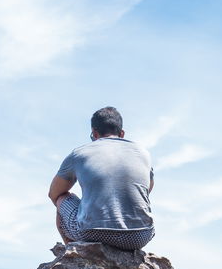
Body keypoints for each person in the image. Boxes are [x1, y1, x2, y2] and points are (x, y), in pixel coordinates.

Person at [48, 106, 155, 251]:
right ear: (122, 133)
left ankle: (75, 254)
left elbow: (54, 193)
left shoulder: (79, 154)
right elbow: (147, 189)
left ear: (94, 133)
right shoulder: (143, 152)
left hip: (92, 233)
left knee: (62, 198)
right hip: (140, 236)